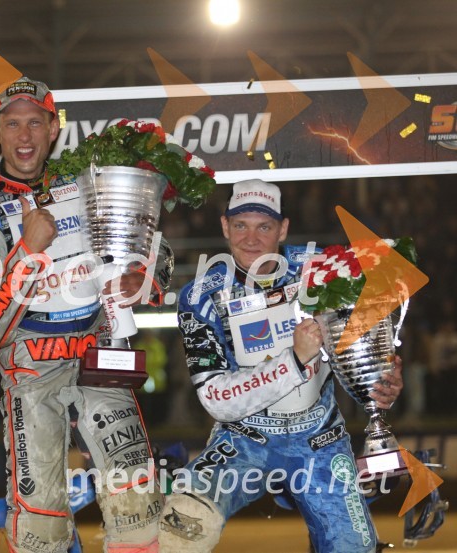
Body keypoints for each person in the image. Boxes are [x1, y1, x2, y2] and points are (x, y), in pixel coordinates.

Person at [0, 77, 172, 553]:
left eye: (35, 122)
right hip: (32, 363)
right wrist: (27, 251)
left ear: (54, 128)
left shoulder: (86, 181)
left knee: (137, 505)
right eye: (12, 123)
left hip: (100, 354)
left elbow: (156, 246)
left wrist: (143, 277)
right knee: (40, 526)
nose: (24, 135)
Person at [159, 179, 405, 553]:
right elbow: (215, 398)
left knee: (353, 548)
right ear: (224, 226)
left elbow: (366, 339)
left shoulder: (325, 269)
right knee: (182, 524)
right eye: (241, 225)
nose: (251, 238)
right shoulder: (201, 295)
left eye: (264, 226)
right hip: (242, 441)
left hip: (319, 441)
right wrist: (293, 360)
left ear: (284, 229)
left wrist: (381, 376)